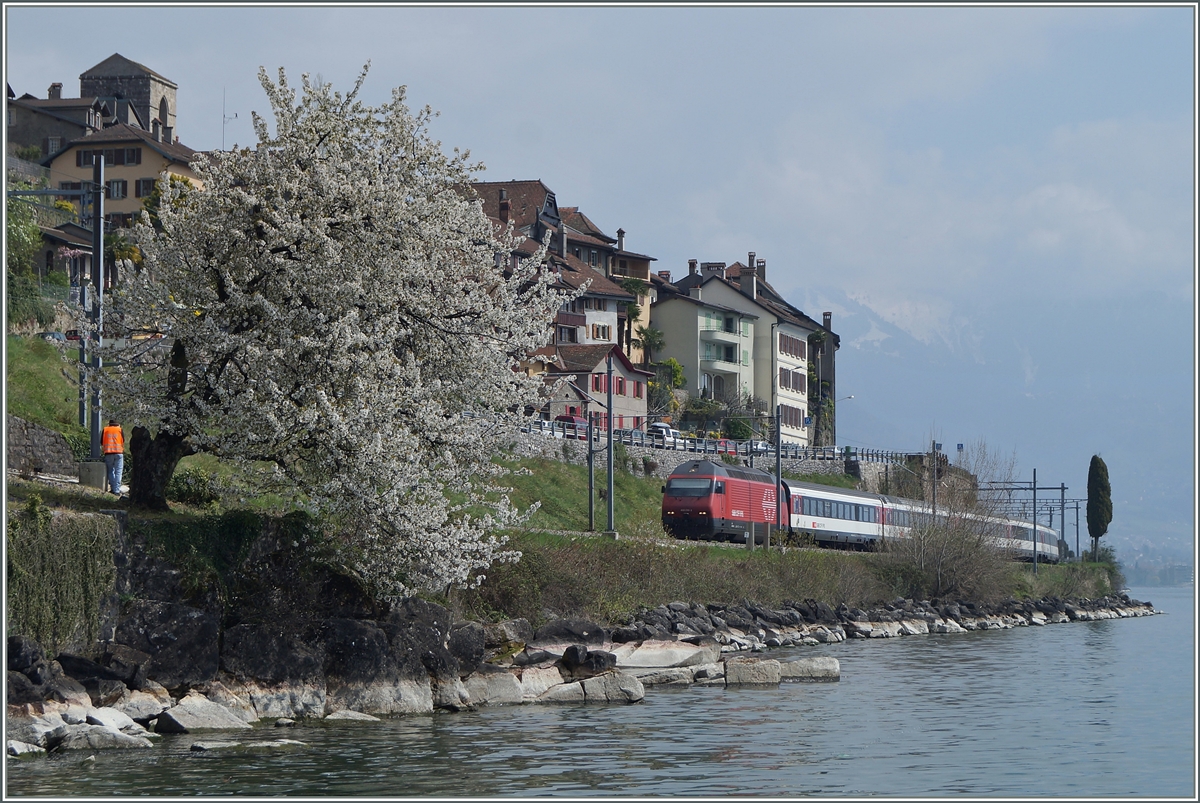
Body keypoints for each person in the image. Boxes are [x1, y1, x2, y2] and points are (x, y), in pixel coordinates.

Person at [101, 419, 125, 496]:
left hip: (108, 453)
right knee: (118, 471)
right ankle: (116, 490)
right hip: (119, 453)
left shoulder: (105, 429)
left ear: (110, 424)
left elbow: (101, 441)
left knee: (110, 471)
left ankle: (113, 488)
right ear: (117, 424)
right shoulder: (120, 430)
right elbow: (123, 440)